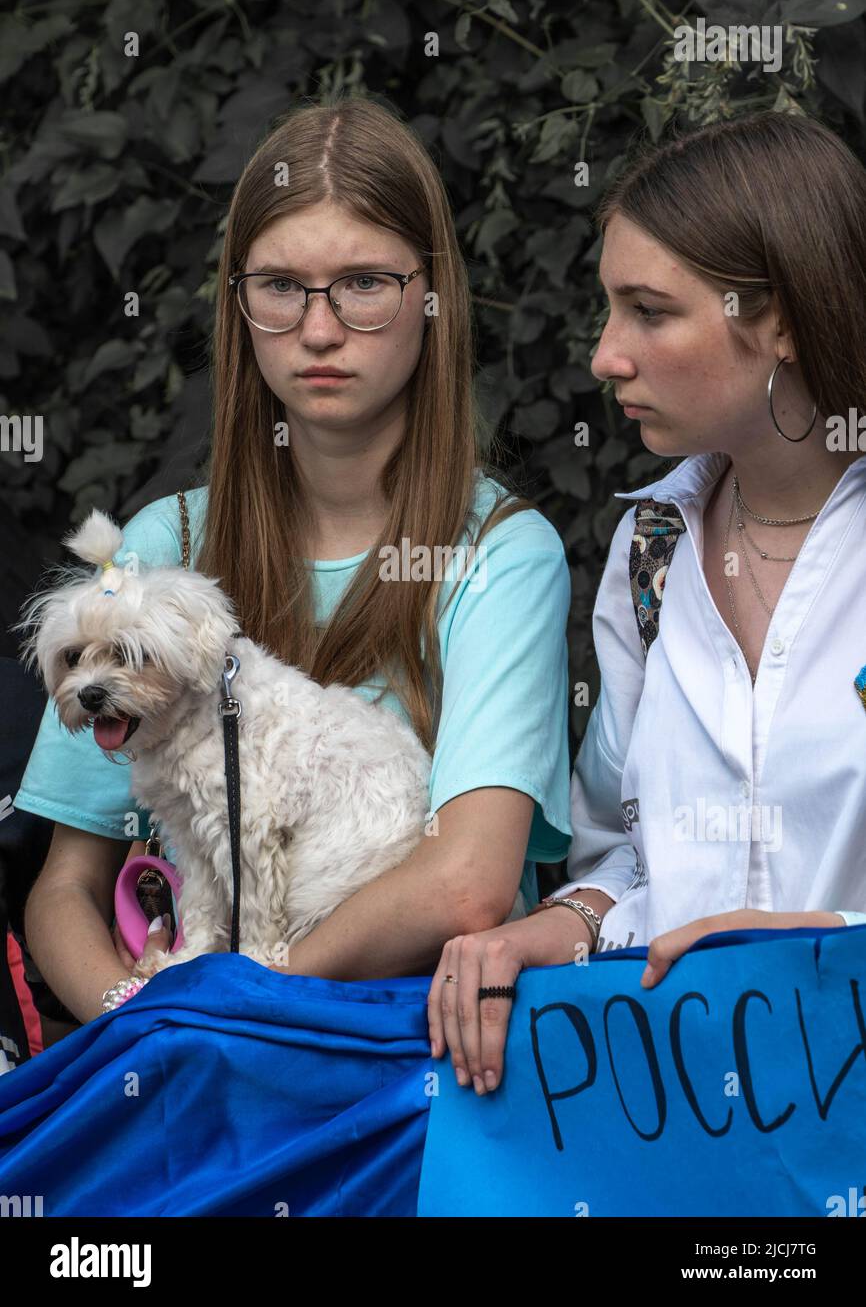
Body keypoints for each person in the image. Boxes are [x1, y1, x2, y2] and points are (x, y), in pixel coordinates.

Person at [15, 95, 573, 1026]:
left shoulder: (496, 553)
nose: (318, 331)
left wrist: (237, 1009)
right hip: (176, 1062)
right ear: (237, 306)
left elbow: (467, 885)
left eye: (364, 283)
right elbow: (65, 886)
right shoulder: (163, 547)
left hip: (402, 1052)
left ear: (432, 298)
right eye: (279, 286)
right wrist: (135, 1029)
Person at [427, 109, 866, 1096]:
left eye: (648, 311)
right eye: (606, 308)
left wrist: (830, 939)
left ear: (782, 316)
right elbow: (628, 843)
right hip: (690, 1125)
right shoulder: (649, 549)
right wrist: (547, 930)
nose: (603, 355)